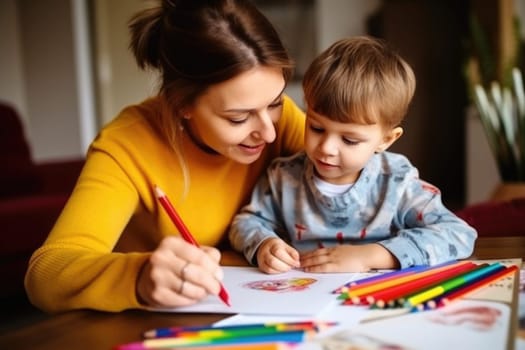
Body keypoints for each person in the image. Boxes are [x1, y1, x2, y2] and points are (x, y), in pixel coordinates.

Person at [24, 0, 305, 313]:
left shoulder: (281, 123)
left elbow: (367, 162)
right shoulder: (127, 145)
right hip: (157, 324)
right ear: (181, 104)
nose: (268, 133)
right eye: (238, 118)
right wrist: (139, 277)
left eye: (276, 102)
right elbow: (45, 275)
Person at [229, 36, 477, 274]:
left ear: (386, 140)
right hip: (305, 299)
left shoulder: (397, 183)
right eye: (316, 127)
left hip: (375, 302)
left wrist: (370, 256)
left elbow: (458, 233)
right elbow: (245, 223)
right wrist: (264, 244)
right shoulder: (282, 177)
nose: (326, 147)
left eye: (349, 140)